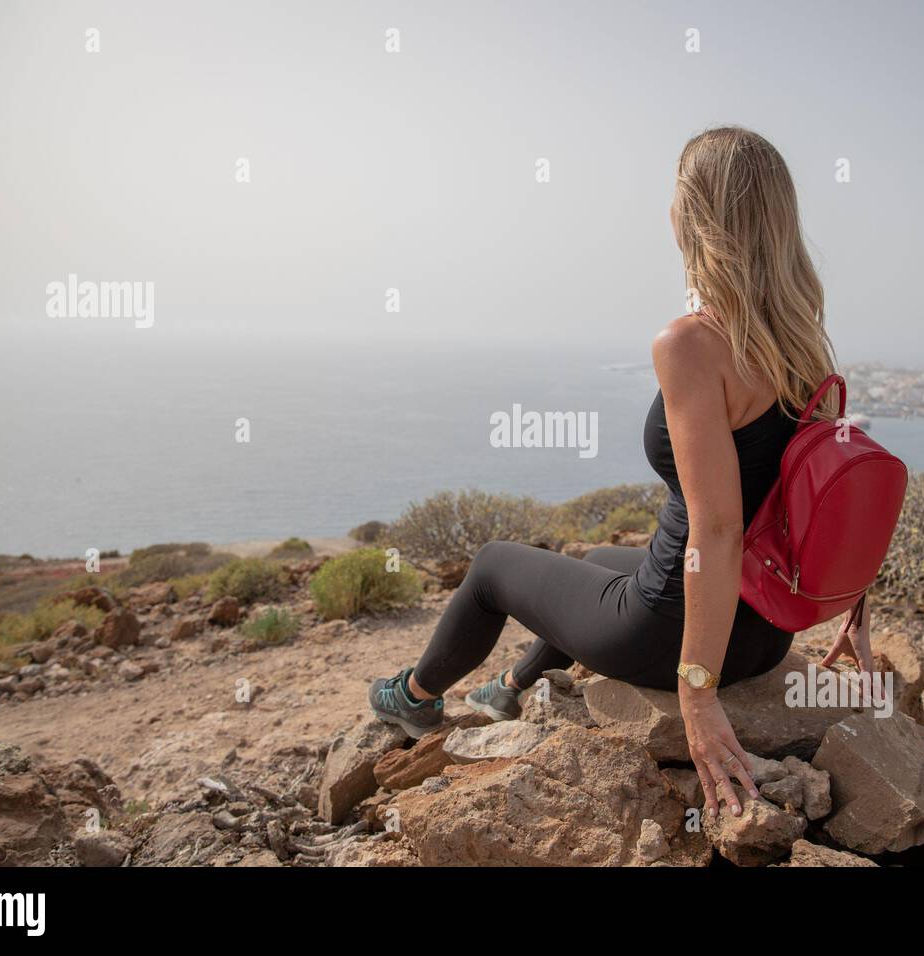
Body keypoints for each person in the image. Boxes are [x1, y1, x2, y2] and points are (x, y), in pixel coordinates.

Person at [369, 126, 869, 819]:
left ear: (691, 214)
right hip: (763, 633)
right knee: (601, 557)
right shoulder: (803, 339)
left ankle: (414, 700)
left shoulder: (692, 344)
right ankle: (508, 686)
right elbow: (844, 492)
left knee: (490, 565)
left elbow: (718, 530)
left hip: (671, 635)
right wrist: (854, 611)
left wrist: (697, 695)